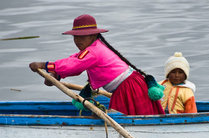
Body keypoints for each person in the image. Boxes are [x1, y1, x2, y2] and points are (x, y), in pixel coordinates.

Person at [29, 14, 164, 116]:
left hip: (128, 87)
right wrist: (57, 74)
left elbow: (74, 65)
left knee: (122, 118)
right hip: (128, 86)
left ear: (93, 36)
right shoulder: (92, 49)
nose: (77, 41)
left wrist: (45, 65)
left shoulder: (93, 52)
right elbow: (73, 62)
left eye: (82, 37)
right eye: (75, 37)